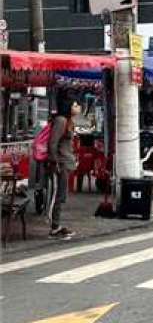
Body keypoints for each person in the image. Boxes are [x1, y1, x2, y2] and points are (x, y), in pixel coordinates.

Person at [47, 98, 81, 239]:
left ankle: (57, 225)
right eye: (75, 105)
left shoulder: (68, 121)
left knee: (62, 195)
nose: (78, 107)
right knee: (58, 196)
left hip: (66, 162)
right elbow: (53, 143)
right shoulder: (61, 121)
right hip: (60, 164)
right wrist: (55, 162)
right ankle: (54, 227)